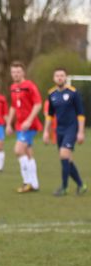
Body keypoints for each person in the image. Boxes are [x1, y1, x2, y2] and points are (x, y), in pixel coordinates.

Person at [42, 68, 87, 196]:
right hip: (59, 130)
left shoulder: (73, 93)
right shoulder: (52, 94)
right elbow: (50, 115)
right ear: (54, 78)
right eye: (57, 75)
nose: (60, 78)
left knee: (63, 155)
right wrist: (46, 131)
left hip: (72, 128)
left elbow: (81, 114)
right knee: (67, 159)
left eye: (62, 75)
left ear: (66, 77)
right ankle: (81, 185)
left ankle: (64, 187)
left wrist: (81, 132)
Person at [5, 61, 42, 193]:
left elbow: (38, 104)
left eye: (18, 72)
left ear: (23, 72)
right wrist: (9, 123)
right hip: (20, 125)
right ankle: (35, 184)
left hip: (29, 125)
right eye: (13, 72)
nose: (15, 74)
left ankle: (27, 182)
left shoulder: (30, 86)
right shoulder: (13, 87)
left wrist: (29, 120)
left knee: (18, 150)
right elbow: (14, 106)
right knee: (28, 153)